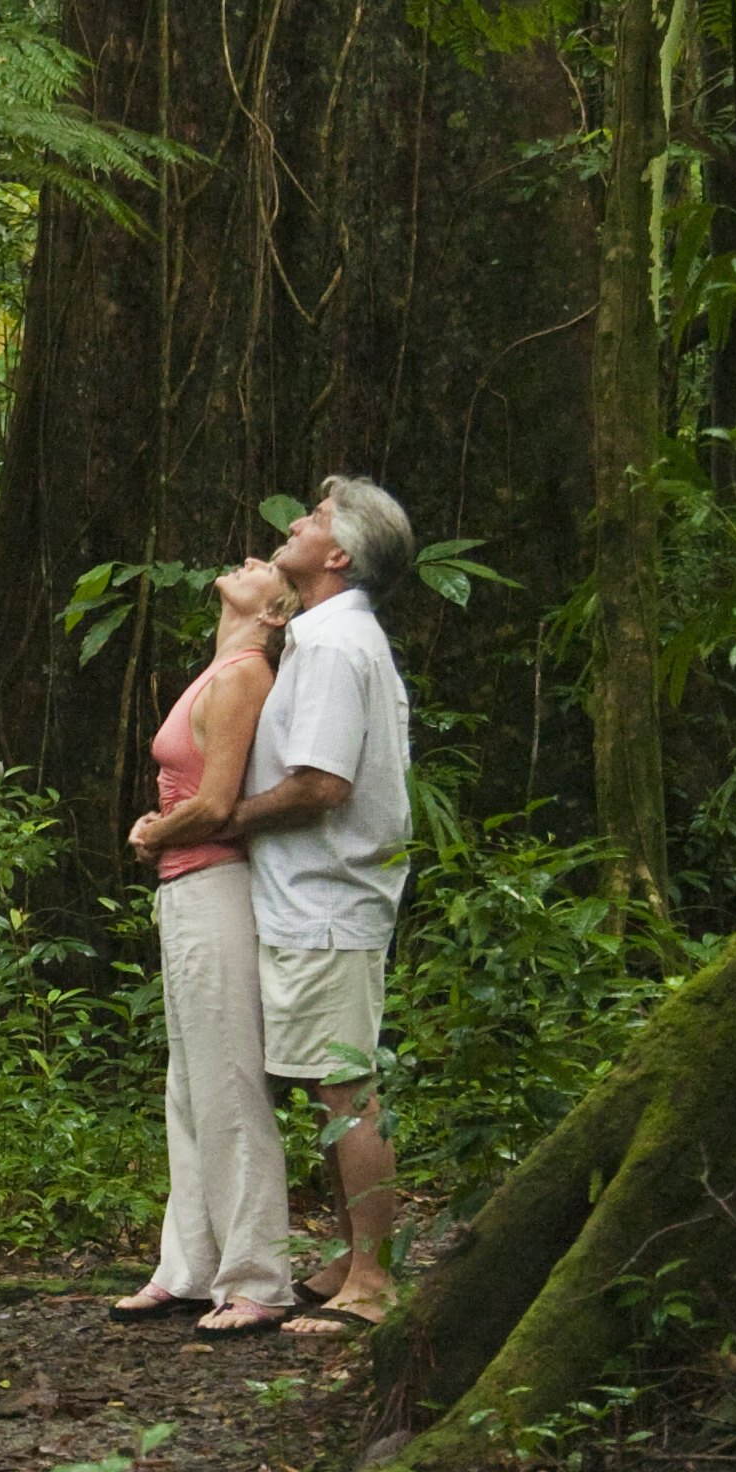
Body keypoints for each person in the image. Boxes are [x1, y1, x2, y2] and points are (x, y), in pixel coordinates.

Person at [223, 478, 417, 1337]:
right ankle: (350, 1257)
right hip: (314, 897)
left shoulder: (336, 646)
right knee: (325, 1081)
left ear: (339, 555)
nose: (297, 522)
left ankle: (372, 1280)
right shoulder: (324, 636)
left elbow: (322, 784)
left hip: (329, 897)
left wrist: (227, 818)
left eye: (317, 517)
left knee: (345, 1087)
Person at [113, 559, 297, 1332]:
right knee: (189, 1086)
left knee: (228, 1080)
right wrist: (158, 833)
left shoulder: (246, 673)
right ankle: (188, 1265)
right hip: (186, 887)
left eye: (266, 568)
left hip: (217, 885)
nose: (250, 561)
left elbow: (218, 803)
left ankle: (258, 1277)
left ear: (275, 611)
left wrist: (158, 832)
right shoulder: (219, 669)